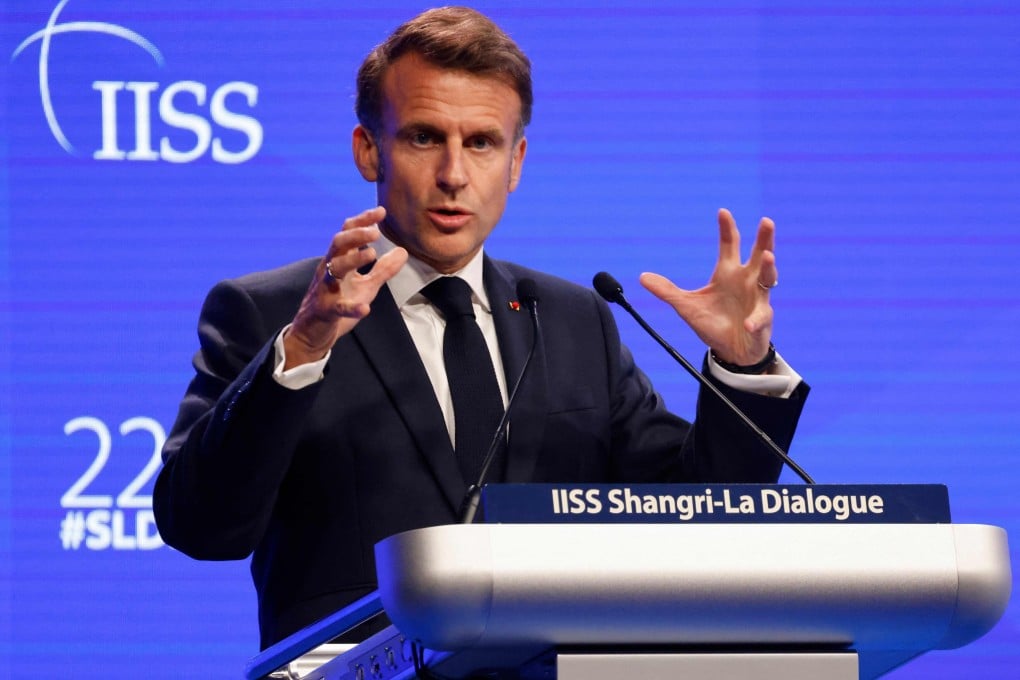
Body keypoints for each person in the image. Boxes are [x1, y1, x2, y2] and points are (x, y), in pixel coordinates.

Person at [153, 6, 809, 650]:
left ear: (516, 162)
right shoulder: (274, 313)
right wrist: (305, 346)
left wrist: (742, 369)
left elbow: (689, 515)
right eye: (422, 137)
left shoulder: (574, 319)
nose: (453, 175)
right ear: (367, 150)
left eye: (481, 142)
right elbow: (201, 526)